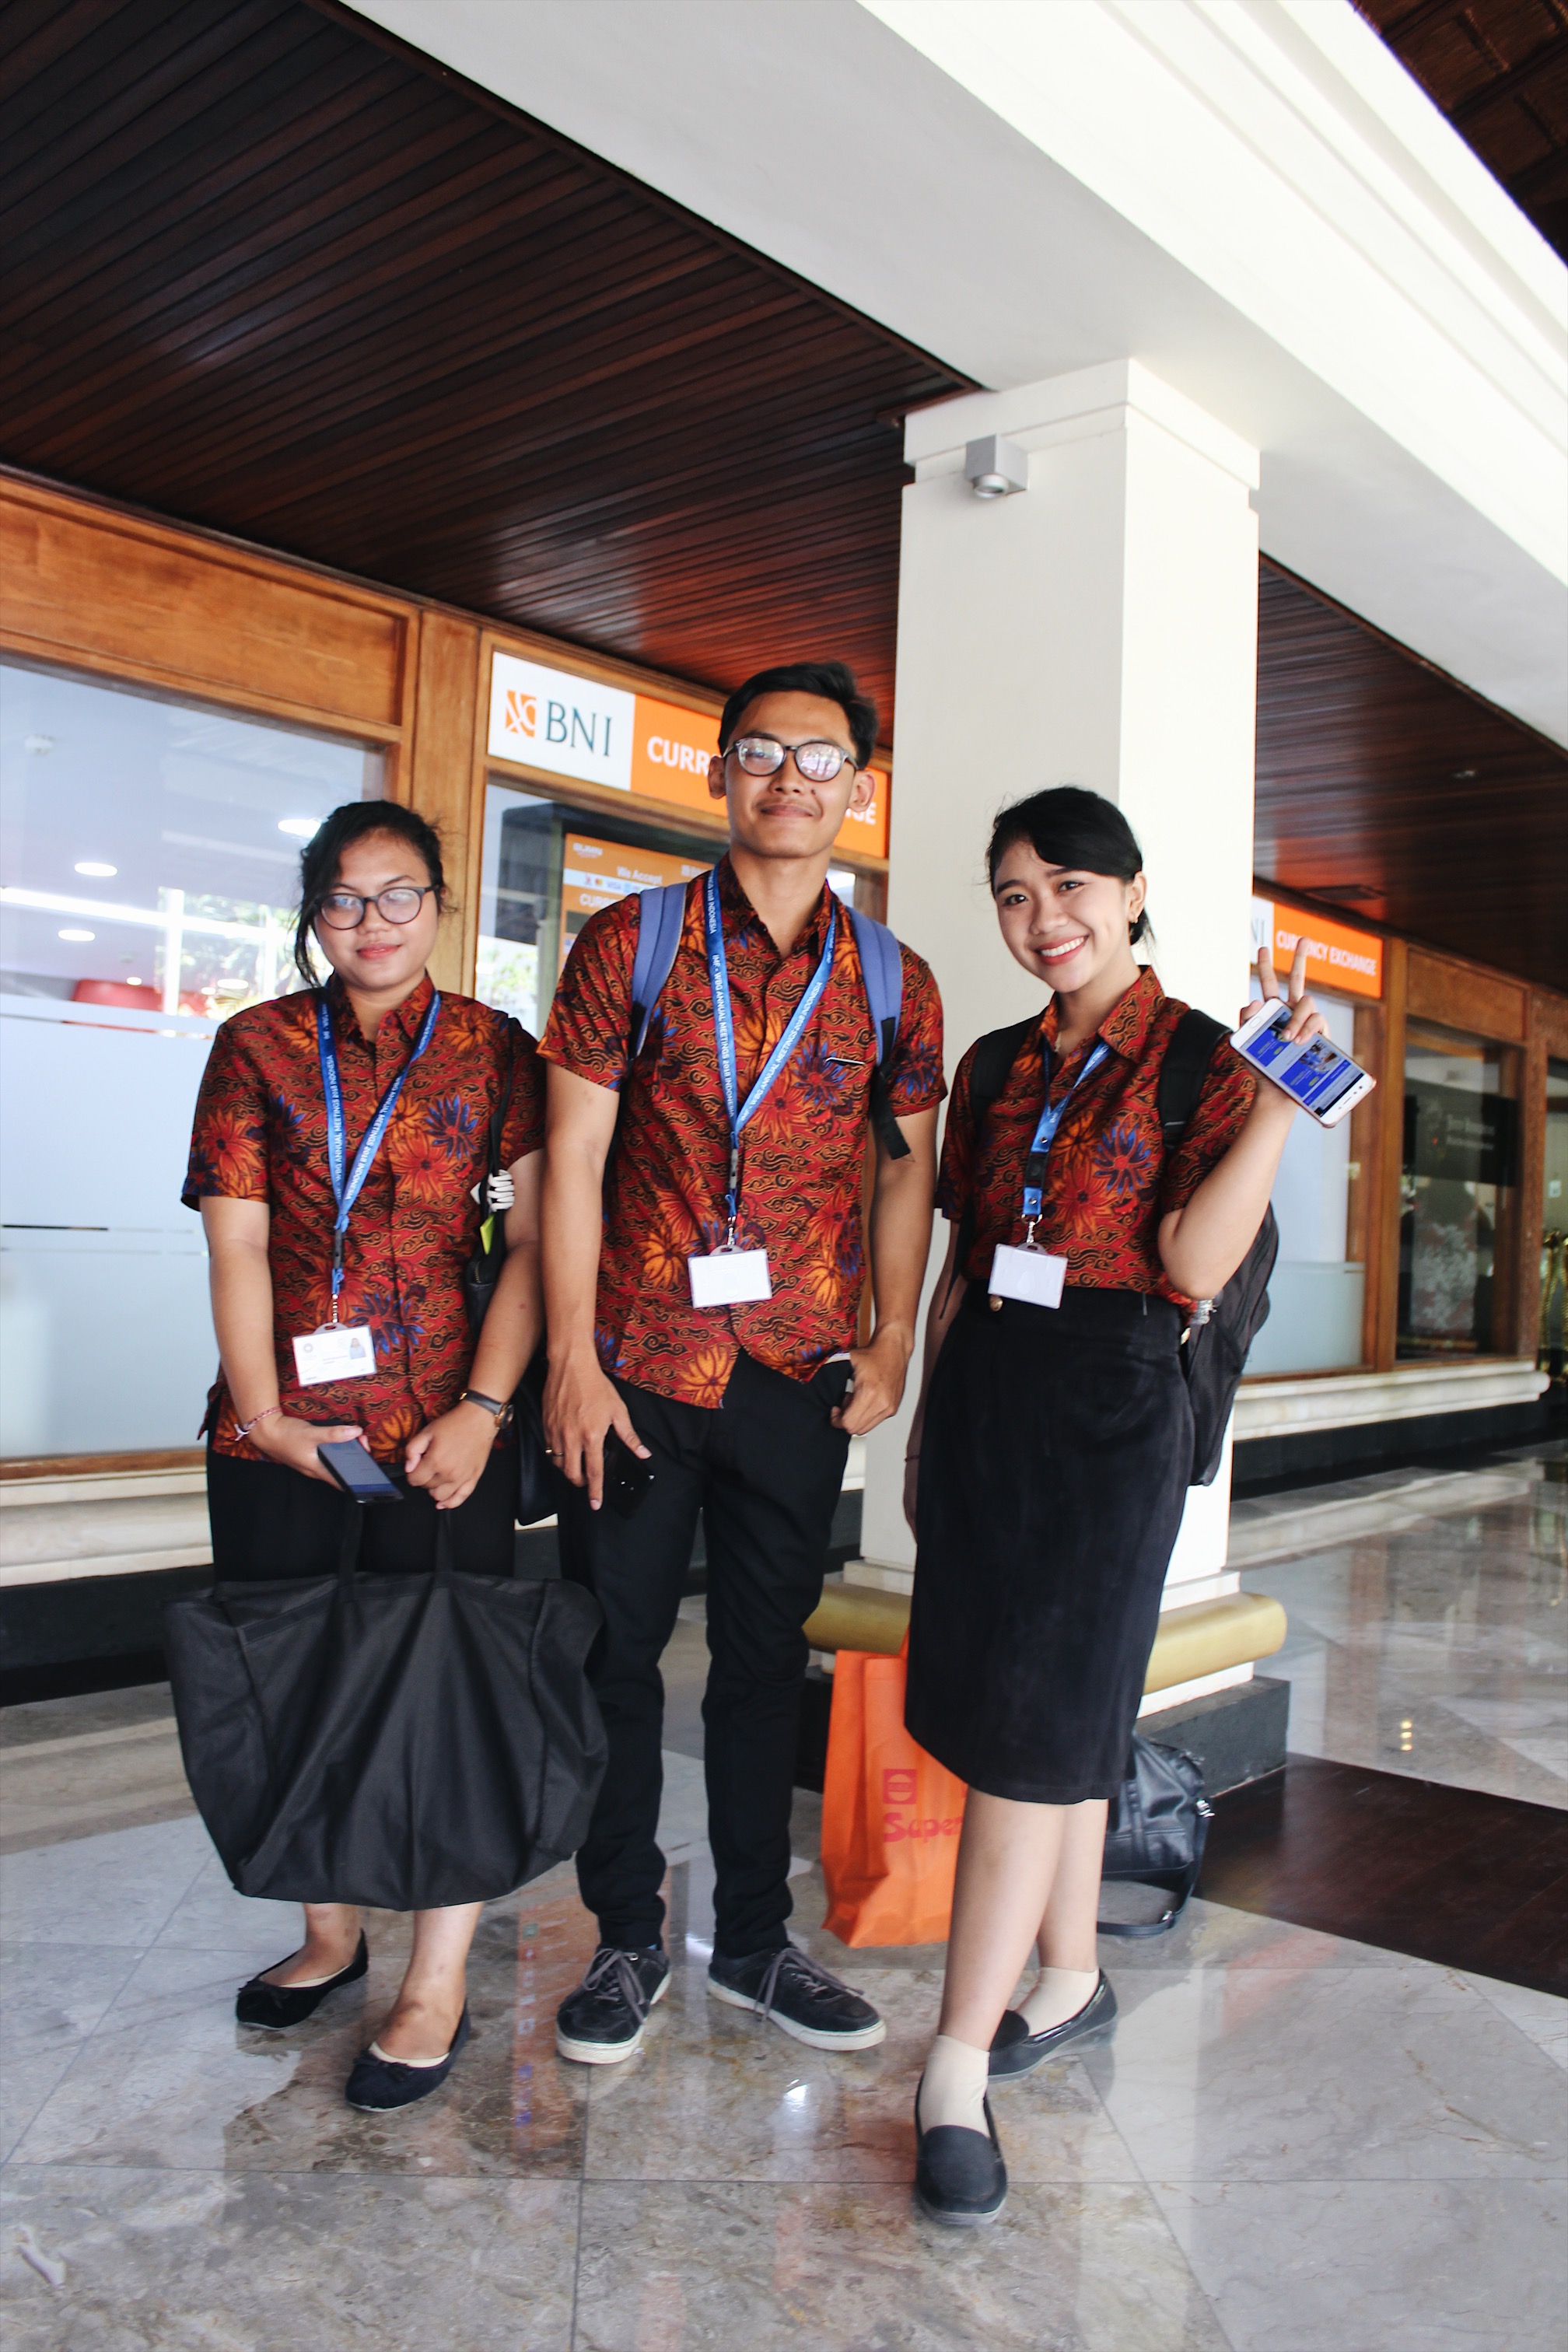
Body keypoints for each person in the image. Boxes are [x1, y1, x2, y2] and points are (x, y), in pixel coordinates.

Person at [901, 786, 1325, 2224]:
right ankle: (1070, 1976)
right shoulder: (995, 1062)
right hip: (988, 1393)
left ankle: (952, 2064)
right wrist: (924, 1423)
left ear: (1133, 892)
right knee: (1030, 1708)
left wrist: (1276, 1107)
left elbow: (1196, 1265)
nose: (1043, 921)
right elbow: (969, 1252)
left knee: (1037, 1725)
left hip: (1112, 1401)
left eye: (1068, 887)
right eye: (1014, 895)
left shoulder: (1207, 1058)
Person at [540, 660, 943, 2063]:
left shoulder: (895, 980)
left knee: (769, 1658)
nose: (789, 779)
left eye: (819, 758)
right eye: (761, 752)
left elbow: (906, 1180)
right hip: (639, 1365)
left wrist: (892, 1338)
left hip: (795, 1372)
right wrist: (572, 1362)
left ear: (857, 789)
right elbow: (572, 1162)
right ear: (717, 772)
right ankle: (625, 1940)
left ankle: (759, 1948)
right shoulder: (629, 944)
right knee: (618, 1657)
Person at [183, 799, 544, 2112]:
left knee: (441, 1693)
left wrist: (487, 1412)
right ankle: (333, 1933)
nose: (373, 924)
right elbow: (232, 1242)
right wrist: (265, 1410)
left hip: (443, 1435)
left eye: (399, 897)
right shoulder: (255, 1047)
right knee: (297, 1677)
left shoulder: (503, 1054)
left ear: (441, 907)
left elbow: (533, 1258)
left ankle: (436, 1976)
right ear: (313, 918)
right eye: (344, 901)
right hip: (280, 1433)